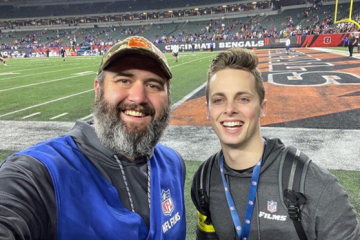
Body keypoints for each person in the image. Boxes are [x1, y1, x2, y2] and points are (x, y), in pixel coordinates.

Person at [0, 36, 186, 240]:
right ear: (98, 90)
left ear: (168, 98)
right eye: (124, 80)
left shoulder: (172, 163)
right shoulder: (39, 174)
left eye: (153, 85)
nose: (138, 97)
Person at [191, 48, 360, 240]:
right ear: (208, 110)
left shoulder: (317, 187)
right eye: (219, 100)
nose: (230, 109)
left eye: (243, 99)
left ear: (262, 107)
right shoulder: (204, 180)